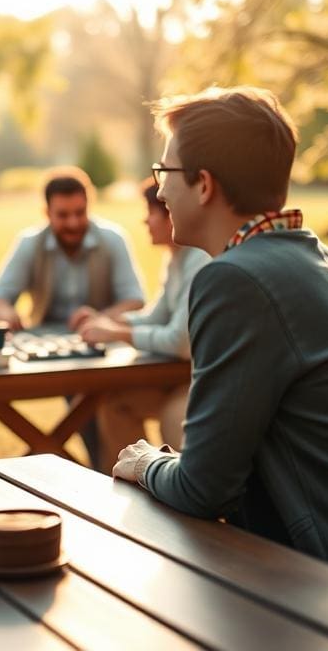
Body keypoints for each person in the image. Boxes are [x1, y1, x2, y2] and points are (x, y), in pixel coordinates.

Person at [112, 86, 328, 601]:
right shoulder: (318, 258)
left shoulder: (235, 280)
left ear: (203, 185)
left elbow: (202, 489)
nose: (159, 193)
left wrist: (145, 462)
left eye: (165, 174)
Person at [0, 166, 145, 468]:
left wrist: (100, 319)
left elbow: (135, 301)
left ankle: (103, 472)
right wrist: (7, 312)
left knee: (93, 404)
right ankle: (96, 471)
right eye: (63, 215)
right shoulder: (30, 243)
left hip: (100, 351)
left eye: (79, 212)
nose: (73, 222)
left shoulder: (112, 240)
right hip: (47, 351)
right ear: (47, 212)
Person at [77, 177, 210, 462]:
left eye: (151, 212)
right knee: (116, 403)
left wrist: (116, 333)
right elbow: (155, 316)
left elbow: (178, 341)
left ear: (172, 215)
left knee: (173, 420)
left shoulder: (199, 259)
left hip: (204, 383)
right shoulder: (176, 258)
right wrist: (105, 322)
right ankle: (135, 489)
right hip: (181, 377)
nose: (145, 221)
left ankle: (177, 492)